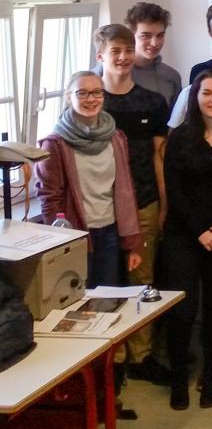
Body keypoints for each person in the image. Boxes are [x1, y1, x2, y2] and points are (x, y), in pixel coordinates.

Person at [162, 70, 212, 410]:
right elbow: (175, 190)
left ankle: (211, 375)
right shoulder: (180, 137)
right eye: (207, 93)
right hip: (184, 234)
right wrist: (199, 231)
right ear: (195, 98)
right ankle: (179, 375)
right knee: (183, 310)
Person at [94, 23, 170, 384]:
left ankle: (140, 356)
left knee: (143, 280)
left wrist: (164, 202)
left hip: (143, 202)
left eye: (127, 51)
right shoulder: (93, 101)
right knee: (107, 283)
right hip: (99, 209)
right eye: (115, 52)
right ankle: (112, 355)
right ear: (101, 57)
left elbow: (158, 155)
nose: (123, 58)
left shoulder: (152, 101)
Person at [34, 72, 142, 288]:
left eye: (96, 92)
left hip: (110, 231)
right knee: (78, 303)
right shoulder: (54, 144)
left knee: (108, 301)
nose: (91, 99)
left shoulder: (116, 137)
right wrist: (60, 240)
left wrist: (133, 242)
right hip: (76, 235)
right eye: (82, 93)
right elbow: (49, 197)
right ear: (69, 97)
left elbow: (125, 190)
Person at [116, 2, 183, 105]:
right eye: (146, 36)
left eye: (160, 35)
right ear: (131, 35)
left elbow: (176, 119)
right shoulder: (109, 72)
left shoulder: (172, 76)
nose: (154, 43)